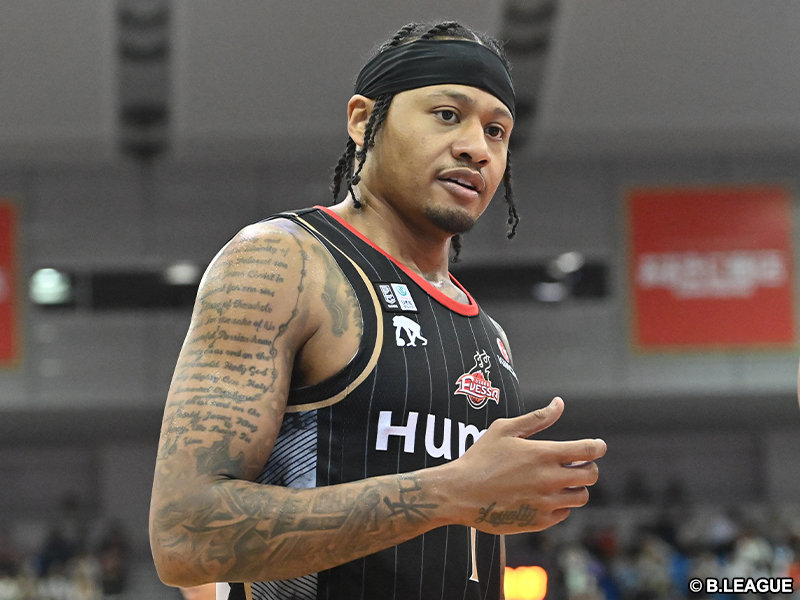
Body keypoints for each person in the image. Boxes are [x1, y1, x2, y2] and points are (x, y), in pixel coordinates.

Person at [150, 20, 607, 600]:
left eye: (497, 131)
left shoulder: (489, 335)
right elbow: (184, 537)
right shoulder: (282, 262)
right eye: (448, 115)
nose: (477, 147)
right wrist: (449, 492)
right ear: (363, 120)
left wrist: (467, 496)